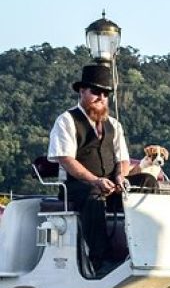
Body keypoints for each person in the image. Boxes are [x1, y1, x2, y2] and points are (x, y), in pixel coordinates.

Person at [47, 64, 157, 276]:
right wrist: (95, 180)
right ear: (82, 92)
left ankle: (147, 247)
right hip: (79, 187)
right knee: (93, 195)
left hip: (111, 184)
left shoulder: (113, 124)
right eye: (95, 92)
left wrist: (119, 177)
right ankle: (101, 259)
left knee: (147, 182)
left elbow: (123, 159)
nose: (100, 97)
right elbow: (67, 159)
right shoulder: (67, 121)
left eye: (105, 94)